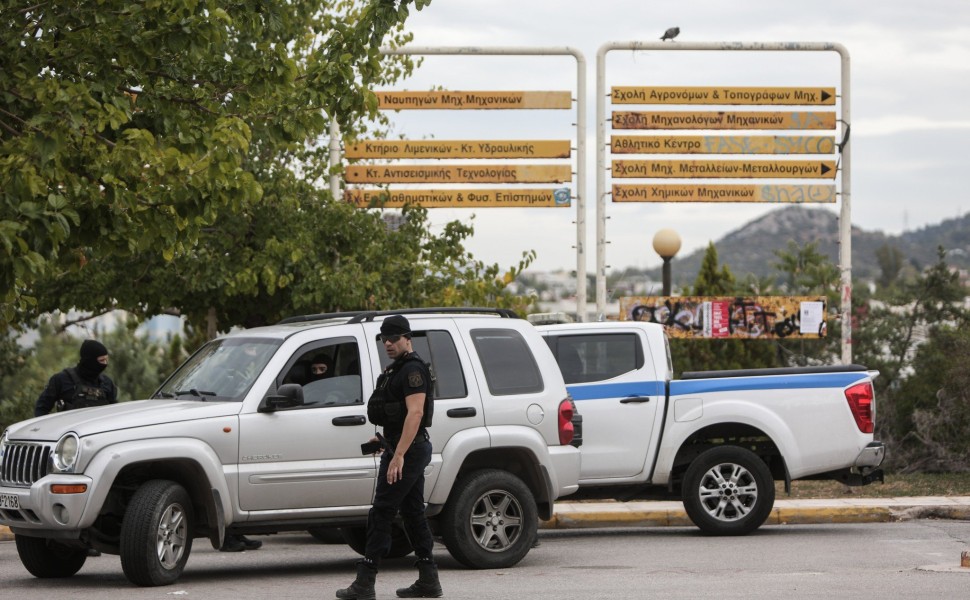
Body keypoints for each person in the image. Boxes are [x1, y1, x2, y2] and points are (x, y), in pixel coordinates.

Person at [337, 315, 441, 600]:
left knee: (382, 511)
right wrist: (385, 440)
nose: (388, 344)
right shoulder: (397, 370)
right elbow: (397, 415)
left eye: (393, 338)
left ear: (407, 337)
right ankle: (429, 579)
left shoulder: (413, 371)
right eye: (384, 339)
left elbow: (416, 414)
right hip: (401, 447)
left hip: (408, 452)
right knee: (412, 512)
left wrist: (399, 456)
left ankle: (365, 581)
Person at [35, 339, 118, 416]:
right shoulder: (61, 380)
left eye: (106, 360)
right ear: (89, 360)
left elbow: (114, 414)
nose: (105, 364)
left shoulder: (107, 383)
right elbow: (41, 409)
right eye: (101, 360)